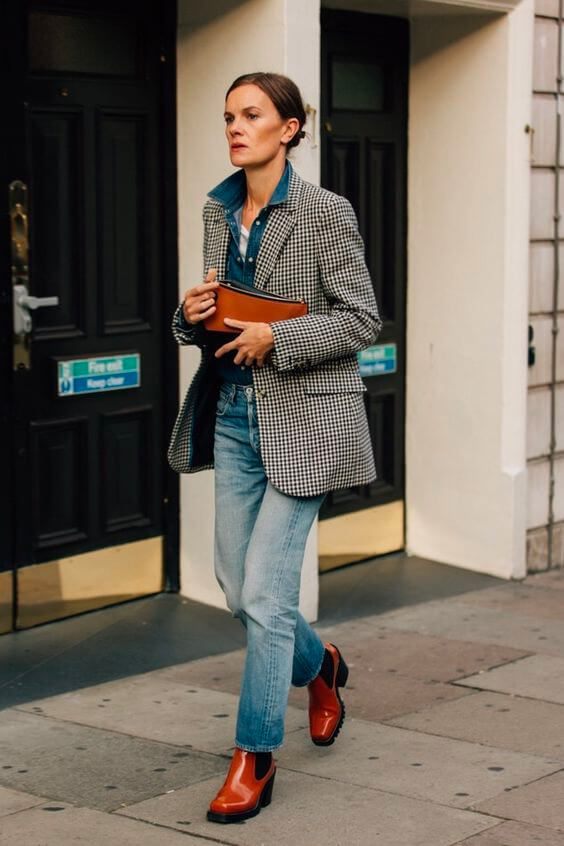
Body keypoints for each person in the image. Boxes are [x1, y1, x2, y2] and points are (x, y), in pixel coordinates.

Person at [168, 71, 382, 824]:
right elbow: (214, 319)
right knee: (239, 589)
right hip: (233, 415)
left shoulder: (327, 213)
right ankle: (319, 666)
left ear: (290, 127)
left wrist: (278, 336)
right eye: (229, 115)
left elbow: (362, 319)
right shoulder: (216, 209)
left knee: (264, 596)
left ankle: (254, 756)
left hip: (308, 423)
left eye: (252, 115)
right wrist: (193, 316)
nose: (235, 126)